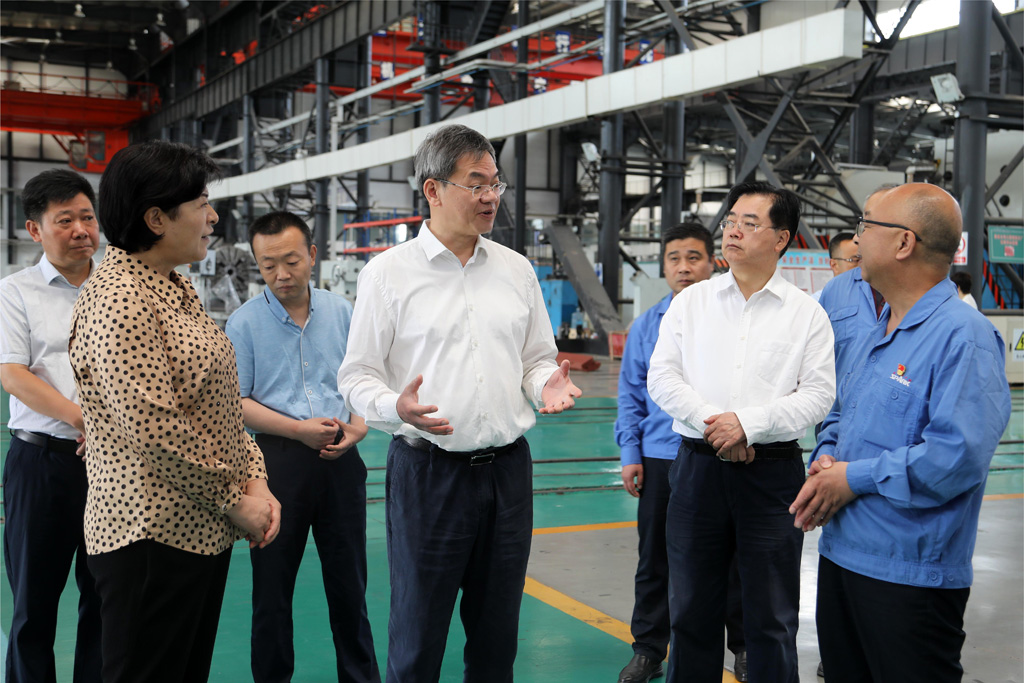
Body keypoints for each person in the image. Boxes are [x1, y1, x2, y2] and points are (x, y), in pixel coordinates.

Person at [337, 123, 581, 683]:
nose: (491, 196)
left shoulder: (517, 270)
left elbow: (535, 358)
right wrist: (394, 406)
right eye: (476, 184)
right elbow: (356, 375)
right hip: (429, 475)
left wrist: (546, 382)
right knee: (418, 636)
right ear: (433, 190)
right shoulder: (388, 274)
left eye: (495, 183)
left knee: (497, 639)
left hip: (508, 475)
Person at [68, 140, 281, 683]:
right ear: (157, 218)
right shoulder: (118, 298)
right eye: (202, 204)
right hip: (150, 535)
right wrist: (236, 500)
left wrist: (255, 479)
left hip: (198, 527)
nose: (213, 217)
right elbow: (154, 427)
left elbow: (217, 405)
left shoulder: (174, 286)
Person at [790, 183, 1011, 682]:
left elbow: (955, 458)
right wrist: (827, 456)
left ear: (904, 242)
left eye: (866, 225)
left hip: (909, 576)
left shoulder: (964, 337)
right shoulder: (880, 329)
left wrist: (852, 478)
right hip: (842, 555)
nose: (857, 238)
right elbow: (842, 412)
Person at [647, 180, 835, 683]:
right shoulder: (692, 303)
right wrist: (719, 427)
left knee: (771, 616)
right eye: (730, 221)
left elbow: (818, 396)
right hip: (698, 471)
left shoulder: (807, 315)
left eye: (749, 223)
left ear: (781, 238)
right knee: (691, 610)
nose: (732, 231)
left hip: (772, 478)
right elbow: (662, 377)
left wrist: (748, 425)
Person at [225, 211, 380, 683]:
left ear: (312, 255)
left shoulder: (343, 312)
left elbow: (361, 377)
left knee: (350, 587)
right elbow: (237, 403)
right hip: (275, 468)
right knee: (272, 592)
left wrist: (359, 427)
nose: (281, 275)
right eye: (268, 265)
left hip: (341, 460)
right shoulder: (243, 324)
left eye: (291, 261)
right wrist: (297, 431)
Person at [615, 223, 747, 683]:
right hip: (660, 457)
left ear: (712, 262)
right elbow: (631, 394)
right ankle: (649, 648)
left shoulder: (734, 318)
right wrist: (630, 452)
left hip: (722, 454)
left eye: (694, 257)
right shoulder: (646, 326)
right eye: (674, 258)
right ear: (664, 266)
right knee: (655, 558)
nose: (684, 267)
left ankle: (744, 647)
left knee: (732, 558)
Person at [0, 169, 102, 683]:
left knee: (105, 601)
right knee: (33, 609)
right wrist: (84, 418)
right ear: (34, 230)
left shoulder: (118, 288)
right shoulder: (15, 292)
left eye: (87, 217)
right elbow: (13, 374)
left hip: (112, 468)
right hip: (42, 464)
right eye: (65, 220)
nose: (81, 229)